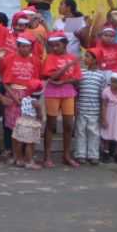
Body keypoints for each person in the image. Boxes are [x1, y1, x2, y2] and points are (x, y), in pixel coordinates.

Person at [0, 31, 41, 165]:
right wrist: (14, 97)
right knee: (14, 127)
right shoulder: (9, 58)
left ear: (31, 47)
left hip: (28, 97)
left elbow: (37, 81)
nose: (24, 48)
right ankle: (17, 156)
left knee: (26, 126)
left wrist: (31, 98)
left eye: (26, 46)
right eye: (21, 46)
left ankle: (25, 155)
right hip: (13, 94)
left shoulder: (35, 60)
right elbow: (5, 81)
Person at [42, 32, 82, 168]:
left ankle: (66, 155)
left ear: (65, 44)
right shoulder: (50, 58)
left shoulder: (72, 58)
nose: (54, 48)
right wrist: (66, 67)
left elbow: (77, 78)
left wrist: (64, 82)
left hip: (68, 92)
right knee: (51, 125)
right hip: (52, 92)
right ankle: (47, 156)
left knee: (69, 125)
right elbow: (52, 77)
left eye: (57, 45)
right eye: (52, 46)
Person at [74, 48, 106, 166]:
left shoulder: (101, 76)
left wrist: (103, 113)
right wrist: (76, 107)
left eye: (87, 56)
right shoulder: (81, 73)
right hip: (82, 108)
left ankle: (93, 155)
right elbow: (77, 91)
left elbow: (102, 96)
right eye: (85, 56)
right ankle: (80, 154)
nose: (84, 58)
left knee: (94, 133)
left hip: (94, 110)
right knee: (80, 132)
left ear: (95, 60)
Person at [11, 79, 44, 170]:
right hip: (30, 124)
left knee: (20, 142)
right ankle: (29, 162)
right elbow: (40, 115)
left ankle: (19, 159)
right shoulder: (36, 103)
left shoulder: (24, 99)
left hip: (21, 122)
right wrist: (40, 122)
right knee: (29, 144)